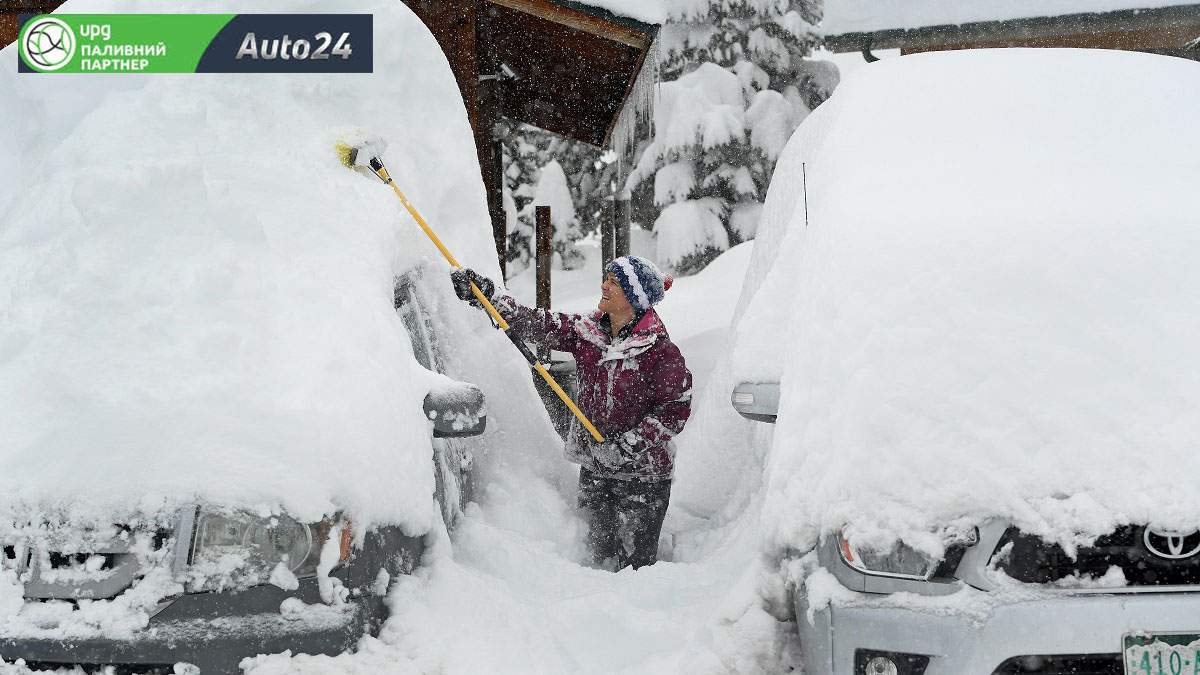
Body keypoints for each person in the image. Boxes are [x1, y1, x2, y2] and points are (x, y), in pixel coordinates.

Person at [450, 256, 692, 570]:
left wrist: (624, 448)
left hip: (643, 479)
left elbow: (675, 411)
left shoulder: (659, 351)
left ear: (635, 298)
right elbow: (536, 322)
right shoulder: (588, 332)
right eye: (606, 278)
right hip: (595, 470)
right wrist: (488, 298)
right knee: (591, 562)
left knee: (635, 573)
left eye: (614, 283)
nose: (604, 286)